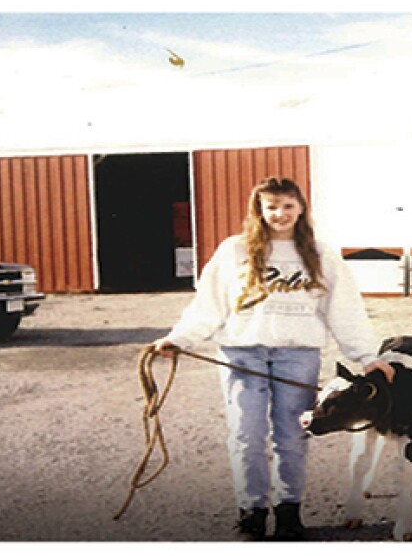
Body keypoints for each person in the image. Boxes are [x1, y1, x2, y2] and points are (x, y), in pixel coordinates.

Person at [150, 176, 394, 541]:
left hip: (298, 353)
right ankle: (251, 513)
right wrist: (180, 338)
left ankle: (288, 513)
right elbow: (210, 304)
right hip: (242, 353)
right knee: (246, 432)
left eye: (288, 206)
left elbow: (344, 309)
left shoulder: (320, 253)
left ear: (301, 209)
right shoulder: (235, 250)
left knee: (293, 433)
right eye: (272, 207)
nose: (280, 214)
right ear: (259, 210)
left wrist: (367, 356)